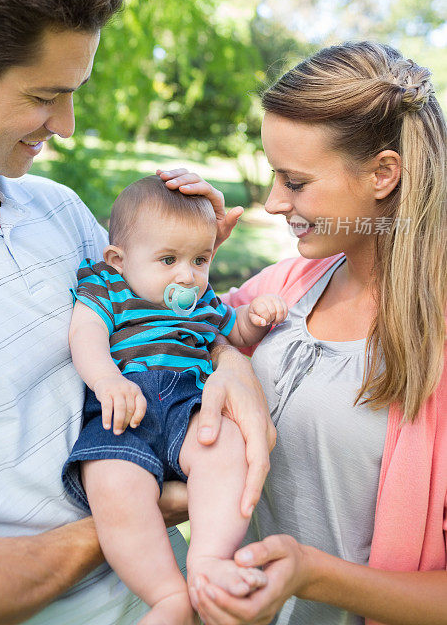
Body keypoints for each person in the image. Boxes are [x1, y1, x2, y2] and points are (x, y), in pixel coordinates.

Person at [0, 0, 274, 625]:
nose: (68, 126)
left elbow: (154, 327)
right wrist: (130, 519)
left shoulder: (59, 212)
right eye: (45, 95)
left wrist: (203, 299)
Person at [158, 41, 447, 625]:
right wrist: (191, 256)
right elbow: (173, 331)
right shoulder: (289, 283)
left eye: (295, 181)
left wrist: (312, 573)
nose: (271, 203)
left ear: (383, 174)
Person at [62, 175, 289, 624]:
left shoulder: (201, 301)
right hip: (126, 409)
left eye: (200, 259)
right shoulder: (110, 288)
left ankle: (208, 561)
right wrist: (107, 380)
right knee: (113, 486)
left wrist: (256, 317)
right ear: (118, 260)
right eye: (168, 259)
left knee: (227, 451)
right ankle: (166, 594)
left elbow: (234, 331)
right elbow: (84, 335)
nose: (187, 275)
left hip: (190, 407)